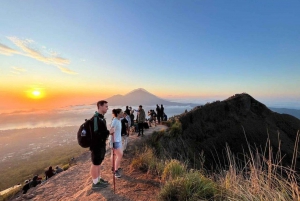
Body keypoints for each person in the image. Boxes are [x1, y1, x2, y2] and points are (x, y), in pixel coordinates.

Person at [90, 100, 115, 190]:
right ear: (100, 106)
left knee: (98, 163)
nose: (107, 108)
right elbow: (96, 134)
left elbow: (101, 132)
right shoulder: (96, 118)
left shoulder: (101, 118)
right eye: (106, 106)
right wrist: (109, 132)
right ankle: (95, 183)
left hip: (101, 145)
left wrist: (108, 133)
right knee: (95, 164)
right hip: (96, 145)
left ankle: (98, 179)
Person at [110, 109, 123, 178]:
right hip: (116, 141)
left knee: (114, 154)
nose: (123, 113)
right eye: (121, 112)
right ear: (118, 114)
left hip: (118, 140)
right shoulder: (115, 121)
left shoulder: (118, 120)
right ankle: (115, 171)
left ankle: (114, 167)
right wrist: (112, 143)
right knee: (120, 155)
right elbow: (111, 132)